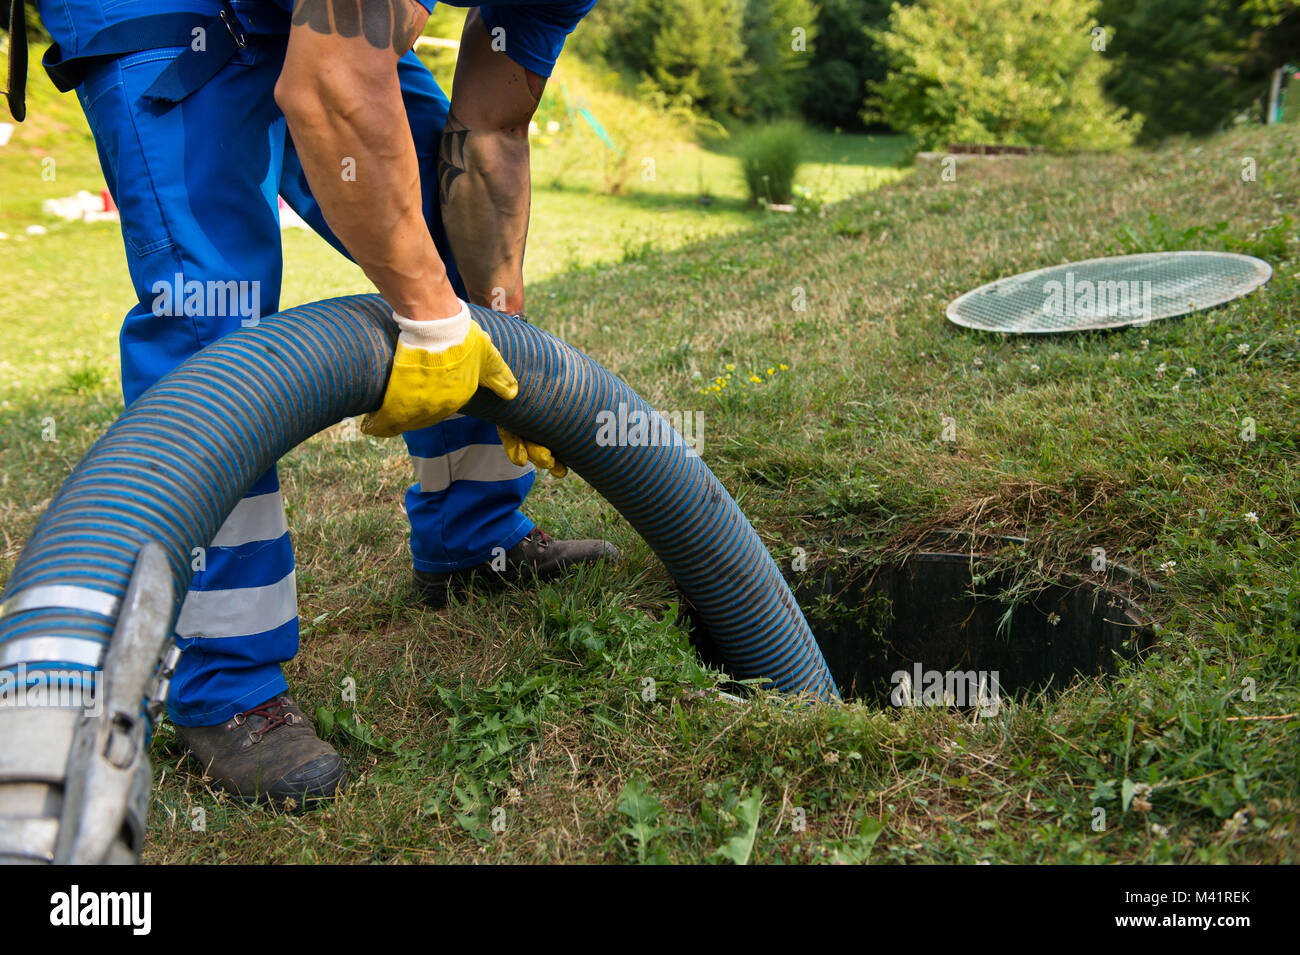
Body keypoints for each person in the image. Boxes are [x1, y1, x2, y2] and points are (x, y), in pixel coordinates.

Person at [25, 0, 611, 805]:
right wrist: (432, 319)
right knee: (214, 326)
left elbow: (492, 133)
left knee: (444, 235)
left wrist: (496, 322)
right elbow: (329, 80)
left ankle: (475, 540)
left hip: (316, 18)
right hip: (165, 11)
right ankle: (225, 688)